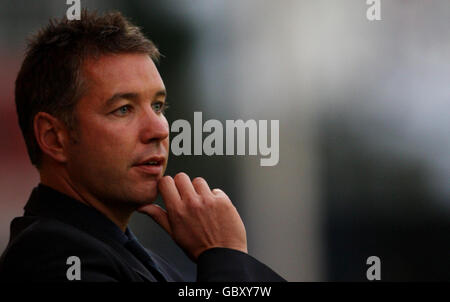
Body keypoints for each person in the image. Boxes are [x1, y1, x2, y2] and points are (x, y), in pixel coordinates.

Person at [0, 10, 285, 282]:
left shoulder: (127, 255)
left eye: (158, 106)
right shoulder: (53, 261)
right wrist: (225, 255)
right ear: (53, 138)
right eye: (124, 109)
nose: (159, 129)